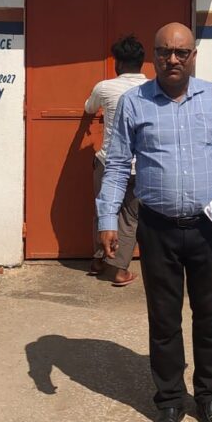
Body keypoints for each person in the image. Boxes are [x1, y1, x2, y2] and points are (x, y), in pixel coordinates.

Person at [97, 22, 212, 422]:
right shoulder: (134, 103)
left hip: (209, 229)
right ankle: (169, 400)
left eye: (181, 52)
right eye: (164, 52)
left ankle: (208, 396)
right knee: (164, 319)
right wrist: (107, 218)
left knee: (210, 318)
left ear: (193, 56)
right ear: (153, 56)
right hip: (158, 229)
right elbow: (116, 165)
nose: (173, 59)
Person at [84, 34, 147, 286]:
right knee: (130, 219)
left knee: (104, 210)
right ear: (142, 62)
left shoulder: (104, 87)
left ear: (117, 63)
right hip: (140, 166)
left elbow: (89, 107)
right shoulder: (152, 89)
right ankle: (119, 270)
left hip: (108, 161)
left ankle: (99, 260)